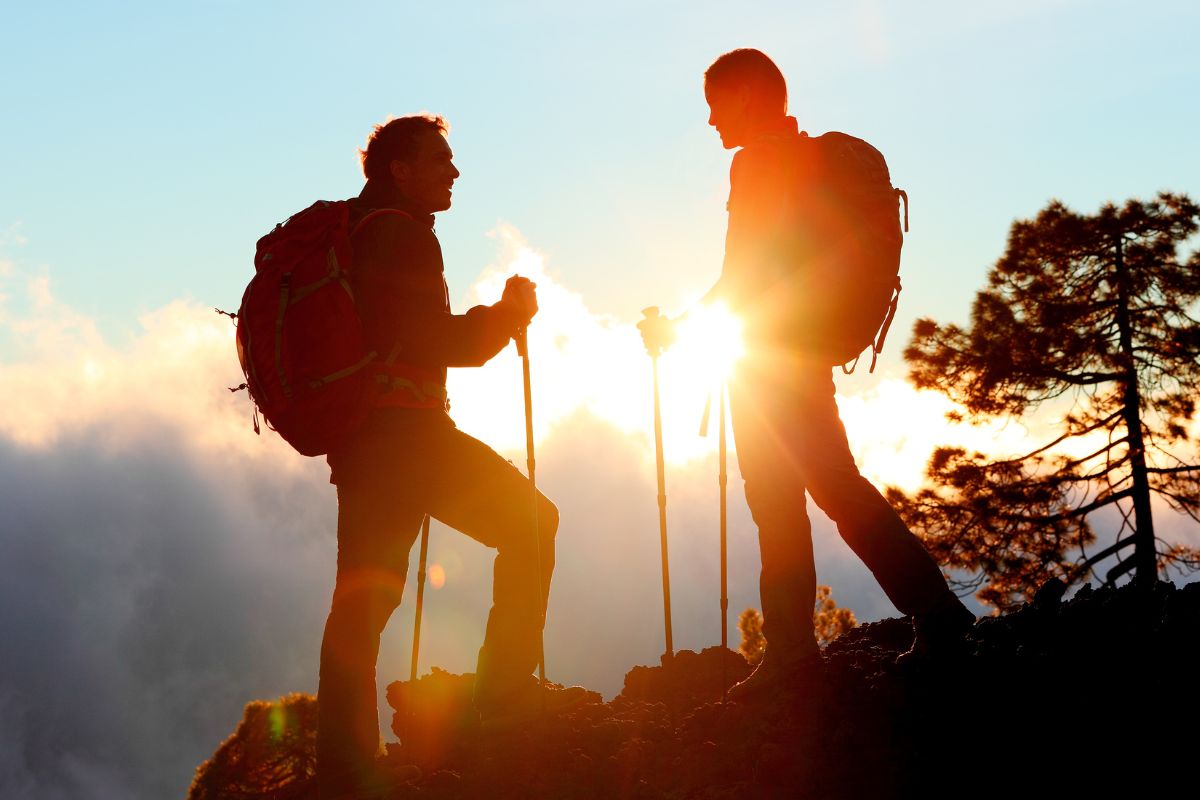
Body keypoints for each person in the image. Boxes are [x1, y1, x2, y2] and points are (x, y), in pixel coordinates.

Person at [640, 49, 974, 701]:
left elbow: (742, 274)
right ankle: (932, 615)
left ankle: (799, 650)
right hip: (802, 350)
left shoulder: (757, 163)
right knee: (833, 488)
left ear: (743, 96)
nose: (709, 121)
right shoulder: (806, 160)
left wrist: (675, 330)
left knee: (781, 500)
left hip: (769, 360)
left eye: (714, 103)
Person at [317, 114, 585, 798]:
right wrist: (507, 316)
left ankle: (344, 765)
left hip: (365, 443)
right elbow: (441, 343)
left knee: (363, 599)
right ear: (400, 169)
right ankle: (503, 694)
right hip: (408, 439)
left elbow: (407, 338)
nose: (454, 172)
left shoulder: (362, 231)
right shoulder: (401, 235)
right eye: (441, 159)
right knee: (532, 524)